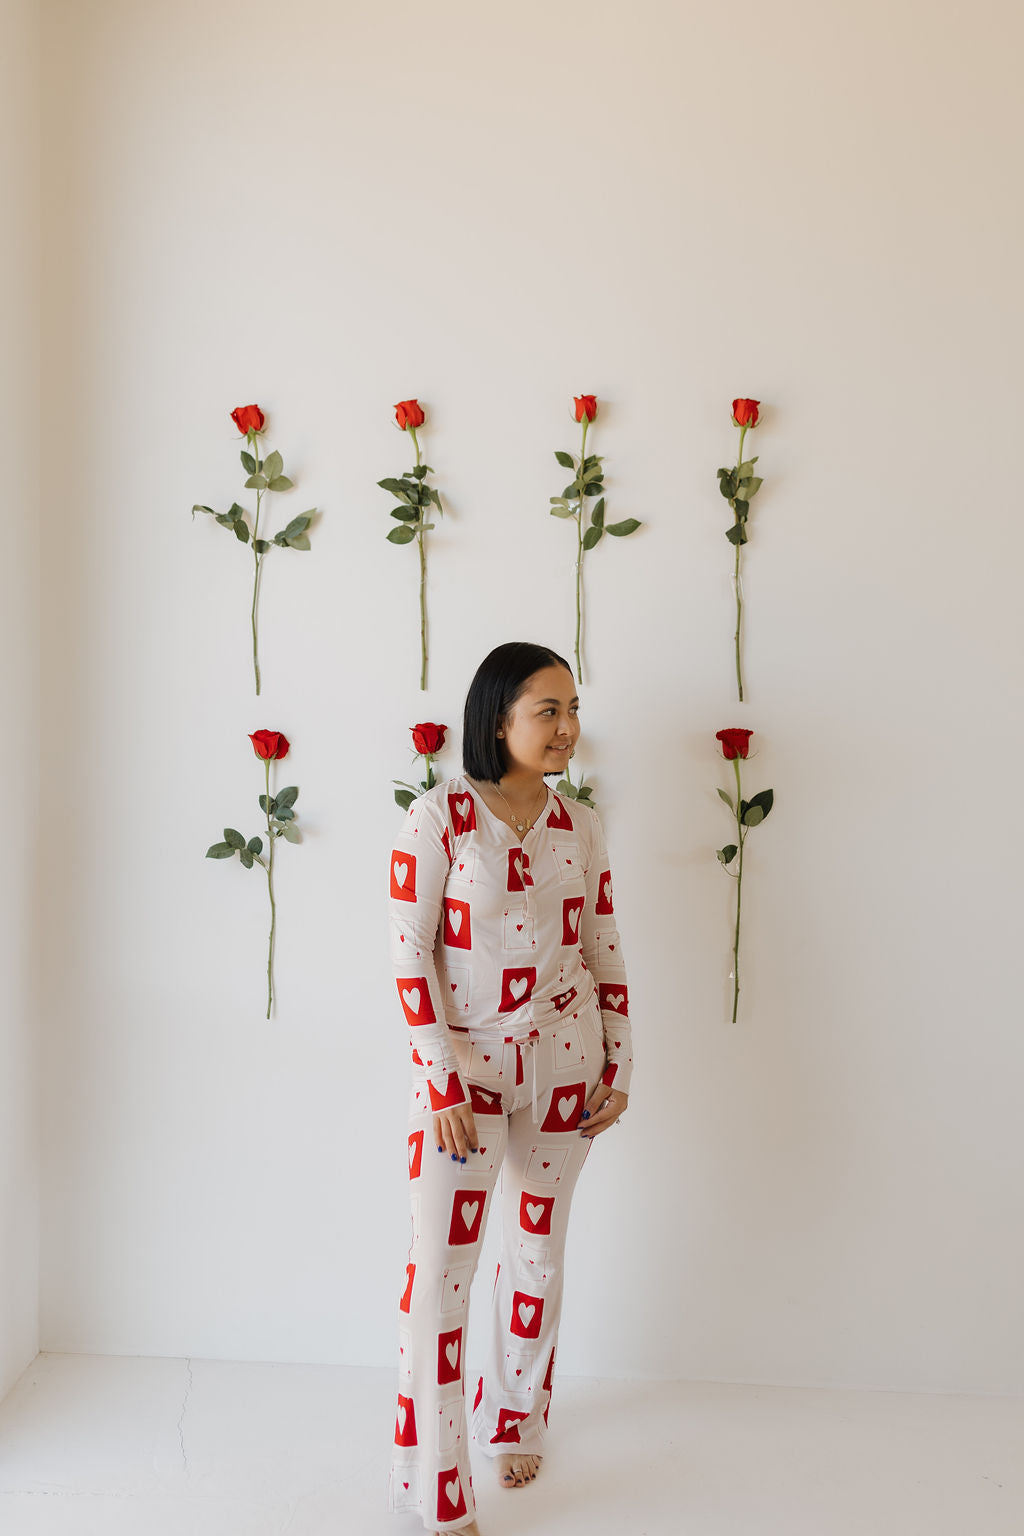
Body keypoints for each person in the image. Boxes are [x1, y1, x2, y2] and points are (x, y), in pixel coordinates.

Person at [386, 641, 633, 1535]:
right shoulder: (438, 818)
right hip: (466, 1081)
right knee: (440, 1278)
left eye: (573, 709)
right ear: (498, 718)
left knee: (537, 1254)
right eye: (548, 710)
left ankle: (516, 1415)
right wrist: (441, 1081)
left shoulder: (580, 823)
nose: (569, 728)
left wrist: (622, 1062)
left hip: (566, 1067)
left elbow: (603, 941)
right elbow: (409, 955)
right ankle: (434, 1481)